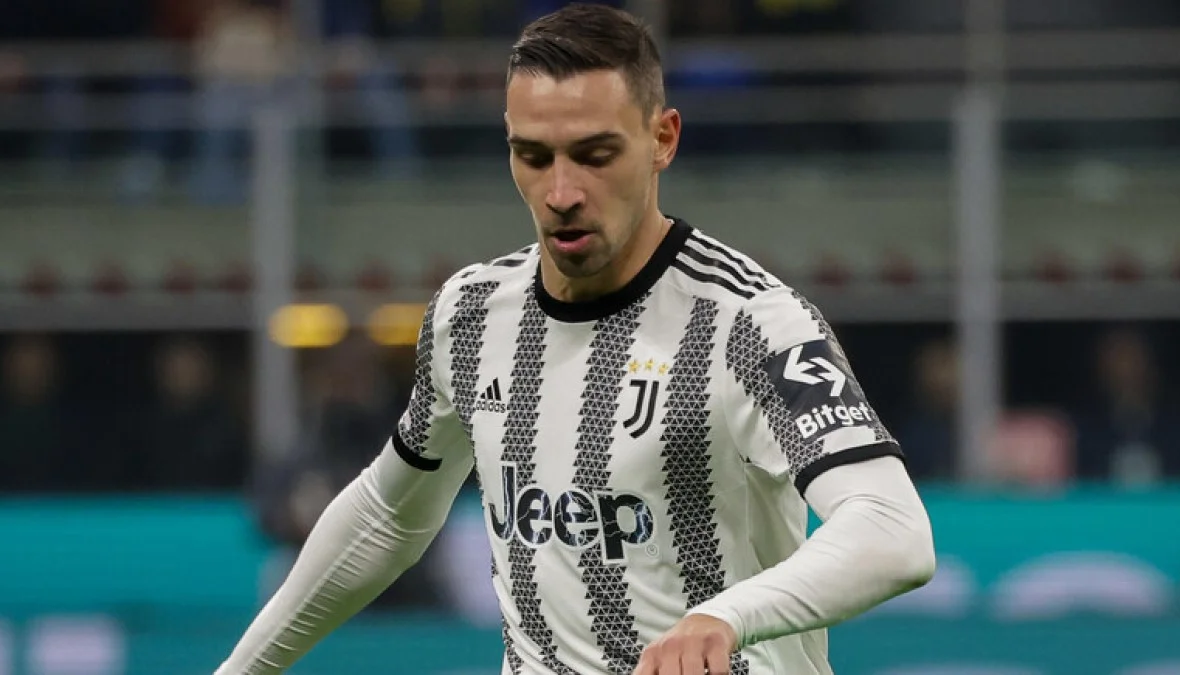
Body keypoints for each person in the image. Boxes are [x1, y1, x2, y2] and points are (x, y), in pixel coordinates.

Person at [214, 4, 935, 674]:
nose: (561, 192)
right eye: (534, 156)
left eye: (594, 154)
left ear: (663, 139)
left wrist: (726, 616)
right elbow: (388, 514)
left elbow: (892, 531)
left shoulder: (751, 324)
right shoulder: (471, 316)